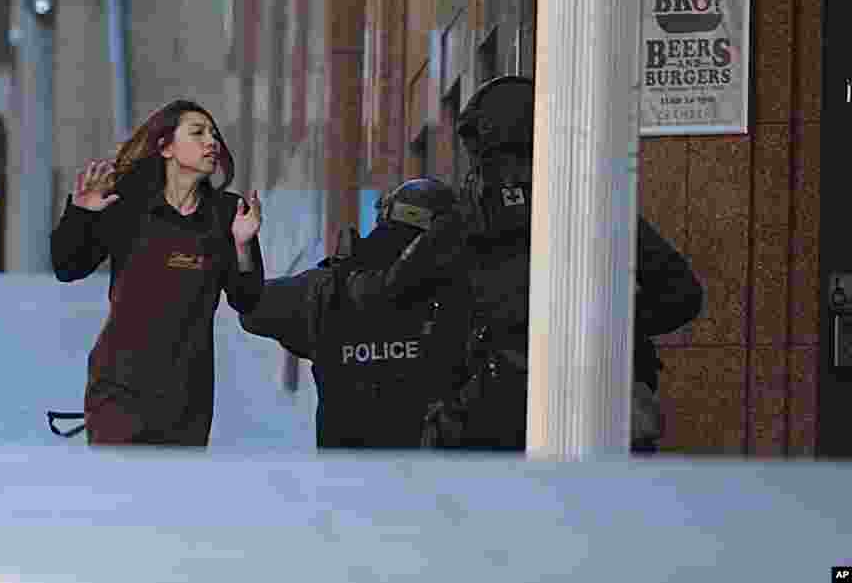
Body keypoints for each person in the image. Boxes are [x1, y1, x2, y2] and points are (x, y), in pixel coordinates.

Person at [408, 75, 705, 452]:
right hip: (589, 413)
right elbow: (681, 294)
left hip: (500, 419)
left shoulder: (465, 221)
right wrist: (608, 324)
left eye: (479, 152)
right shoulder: (591, 205)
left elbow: (398, 295)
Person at [49, 99, 265, 446]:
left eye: (214, 135)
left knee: (172, 499)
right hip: (119, 388)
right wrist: (81, 213)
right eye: (198, 133)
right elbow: (67, 267)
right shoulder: (128, 206)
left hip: (187, 397)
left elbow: (248, 300)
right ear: (165, 146)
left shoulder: (227, 214)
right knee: (120, 494)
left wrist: (242, 246)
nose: (212, 142)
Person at [239, 178, 473, 449]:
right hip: (442, 481)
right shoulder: (467, 290)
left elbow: (251, 308)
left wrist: (243, 250)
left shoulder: (327, 289)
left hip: (350, 482)